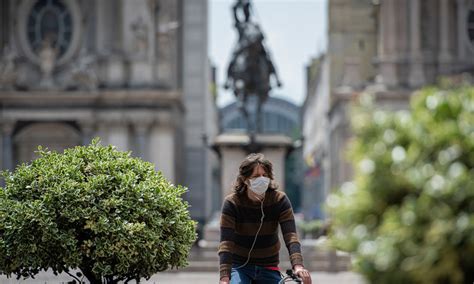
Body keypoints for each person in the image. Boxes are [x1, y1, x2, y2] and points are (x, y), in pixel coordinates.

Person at [218, 153, 312, 284]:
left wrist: (298, 266)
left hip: (269, 266)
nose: (262, 179)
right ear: (245, 179)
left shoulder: (280, 200)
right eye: (256, 176)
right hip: (240, 267)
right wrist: (224, 277)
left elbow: (291, 236)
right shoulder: (232, 203)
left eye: (265, 175)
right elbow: (226, 243)